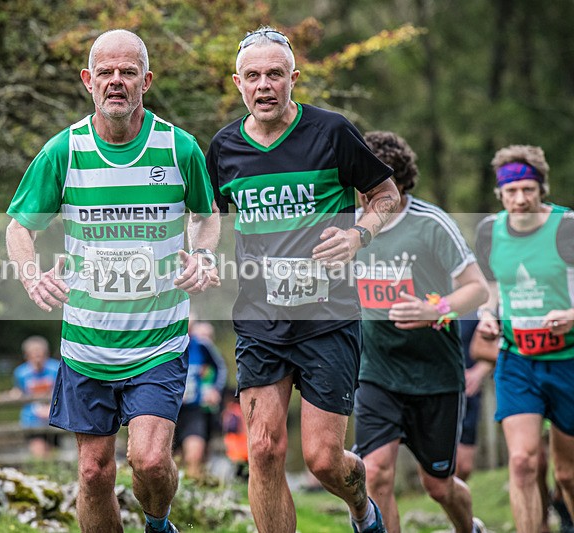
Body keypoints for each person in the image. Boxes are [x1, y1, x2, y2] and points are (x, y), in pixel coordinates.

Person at [5, 29, 220, 533]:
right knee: (94, 472)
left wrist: (204, 255)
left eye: (128, 72)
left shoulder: (178, 147)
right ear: (88, 80)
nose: (116, 82)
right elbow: (19, 227)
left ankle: (158, 522)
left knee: (148, 461)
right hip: (86, 344)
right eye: (106, 72)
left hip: (158, 341)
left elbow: (206, 216)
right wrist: (31, 276)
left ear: (146, 80)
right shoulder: (65, 150)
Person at [206, 26, 400, 533]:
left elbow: (386, 194)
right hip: (259, 318)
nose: (264, 85)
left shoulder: (331, 132)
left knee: (323, 460)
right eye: (253, 76)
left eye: (274, 74)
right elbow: (206, 216)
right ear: (238, 83)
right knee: (264, 449)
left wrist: (359, 234)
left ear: (294, 78)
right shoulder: (224, 146)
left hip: (327, 318)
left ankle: (361, 507)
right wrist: (200, 255)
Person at [352, 131, 489, 533]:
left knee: (438, 486)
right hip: (377, 372)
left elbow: (477, 288)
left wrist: (436, 309)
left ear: (398, 182)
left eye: (374, 182)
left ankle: (469, 529)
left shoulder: (431, 224)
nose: (365, 192)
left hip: (434, 375)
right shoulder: (348, 228)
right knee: (374, 473)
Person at [475, 144, 574, 533]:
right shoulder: (489, 231)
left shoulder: (566, 226)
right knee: (522, 463)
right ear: (500, 193)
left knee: (567, 475)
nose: (520, 199)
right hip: (517, 360)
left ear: (541, 189)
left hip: (567, 360)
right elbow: (491, 288)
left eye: (528, 189)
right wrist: (486, 314)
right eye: (512, 191)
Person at [174, 319, 227, 479]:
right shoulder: (165, 344)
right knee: (170, 457)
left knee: (195, 454)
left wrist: (214, 389)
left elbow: (220, 367)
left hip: (195, 408)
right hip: (170, 408)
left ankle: (196, 486)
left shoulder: (201, 346)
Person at [455, 313, 495, 483]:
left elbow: (495, 346)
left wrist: (479, 372)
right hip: (435, 395)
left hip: (468, 395)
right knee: (443, 470)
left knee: (464, 466)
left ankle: (455, 505)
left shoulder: (476, 311)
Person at [11, 335, 60, 459]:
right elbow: (19, 389)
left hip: (53, 418)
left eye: (40, 352)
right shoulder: (21, 373)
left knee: (53, 455)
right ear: (27, 355)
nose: (37, 356)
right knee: (38, 452)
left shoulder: (56, 368)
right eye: (33, 353)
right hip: (31, 419)